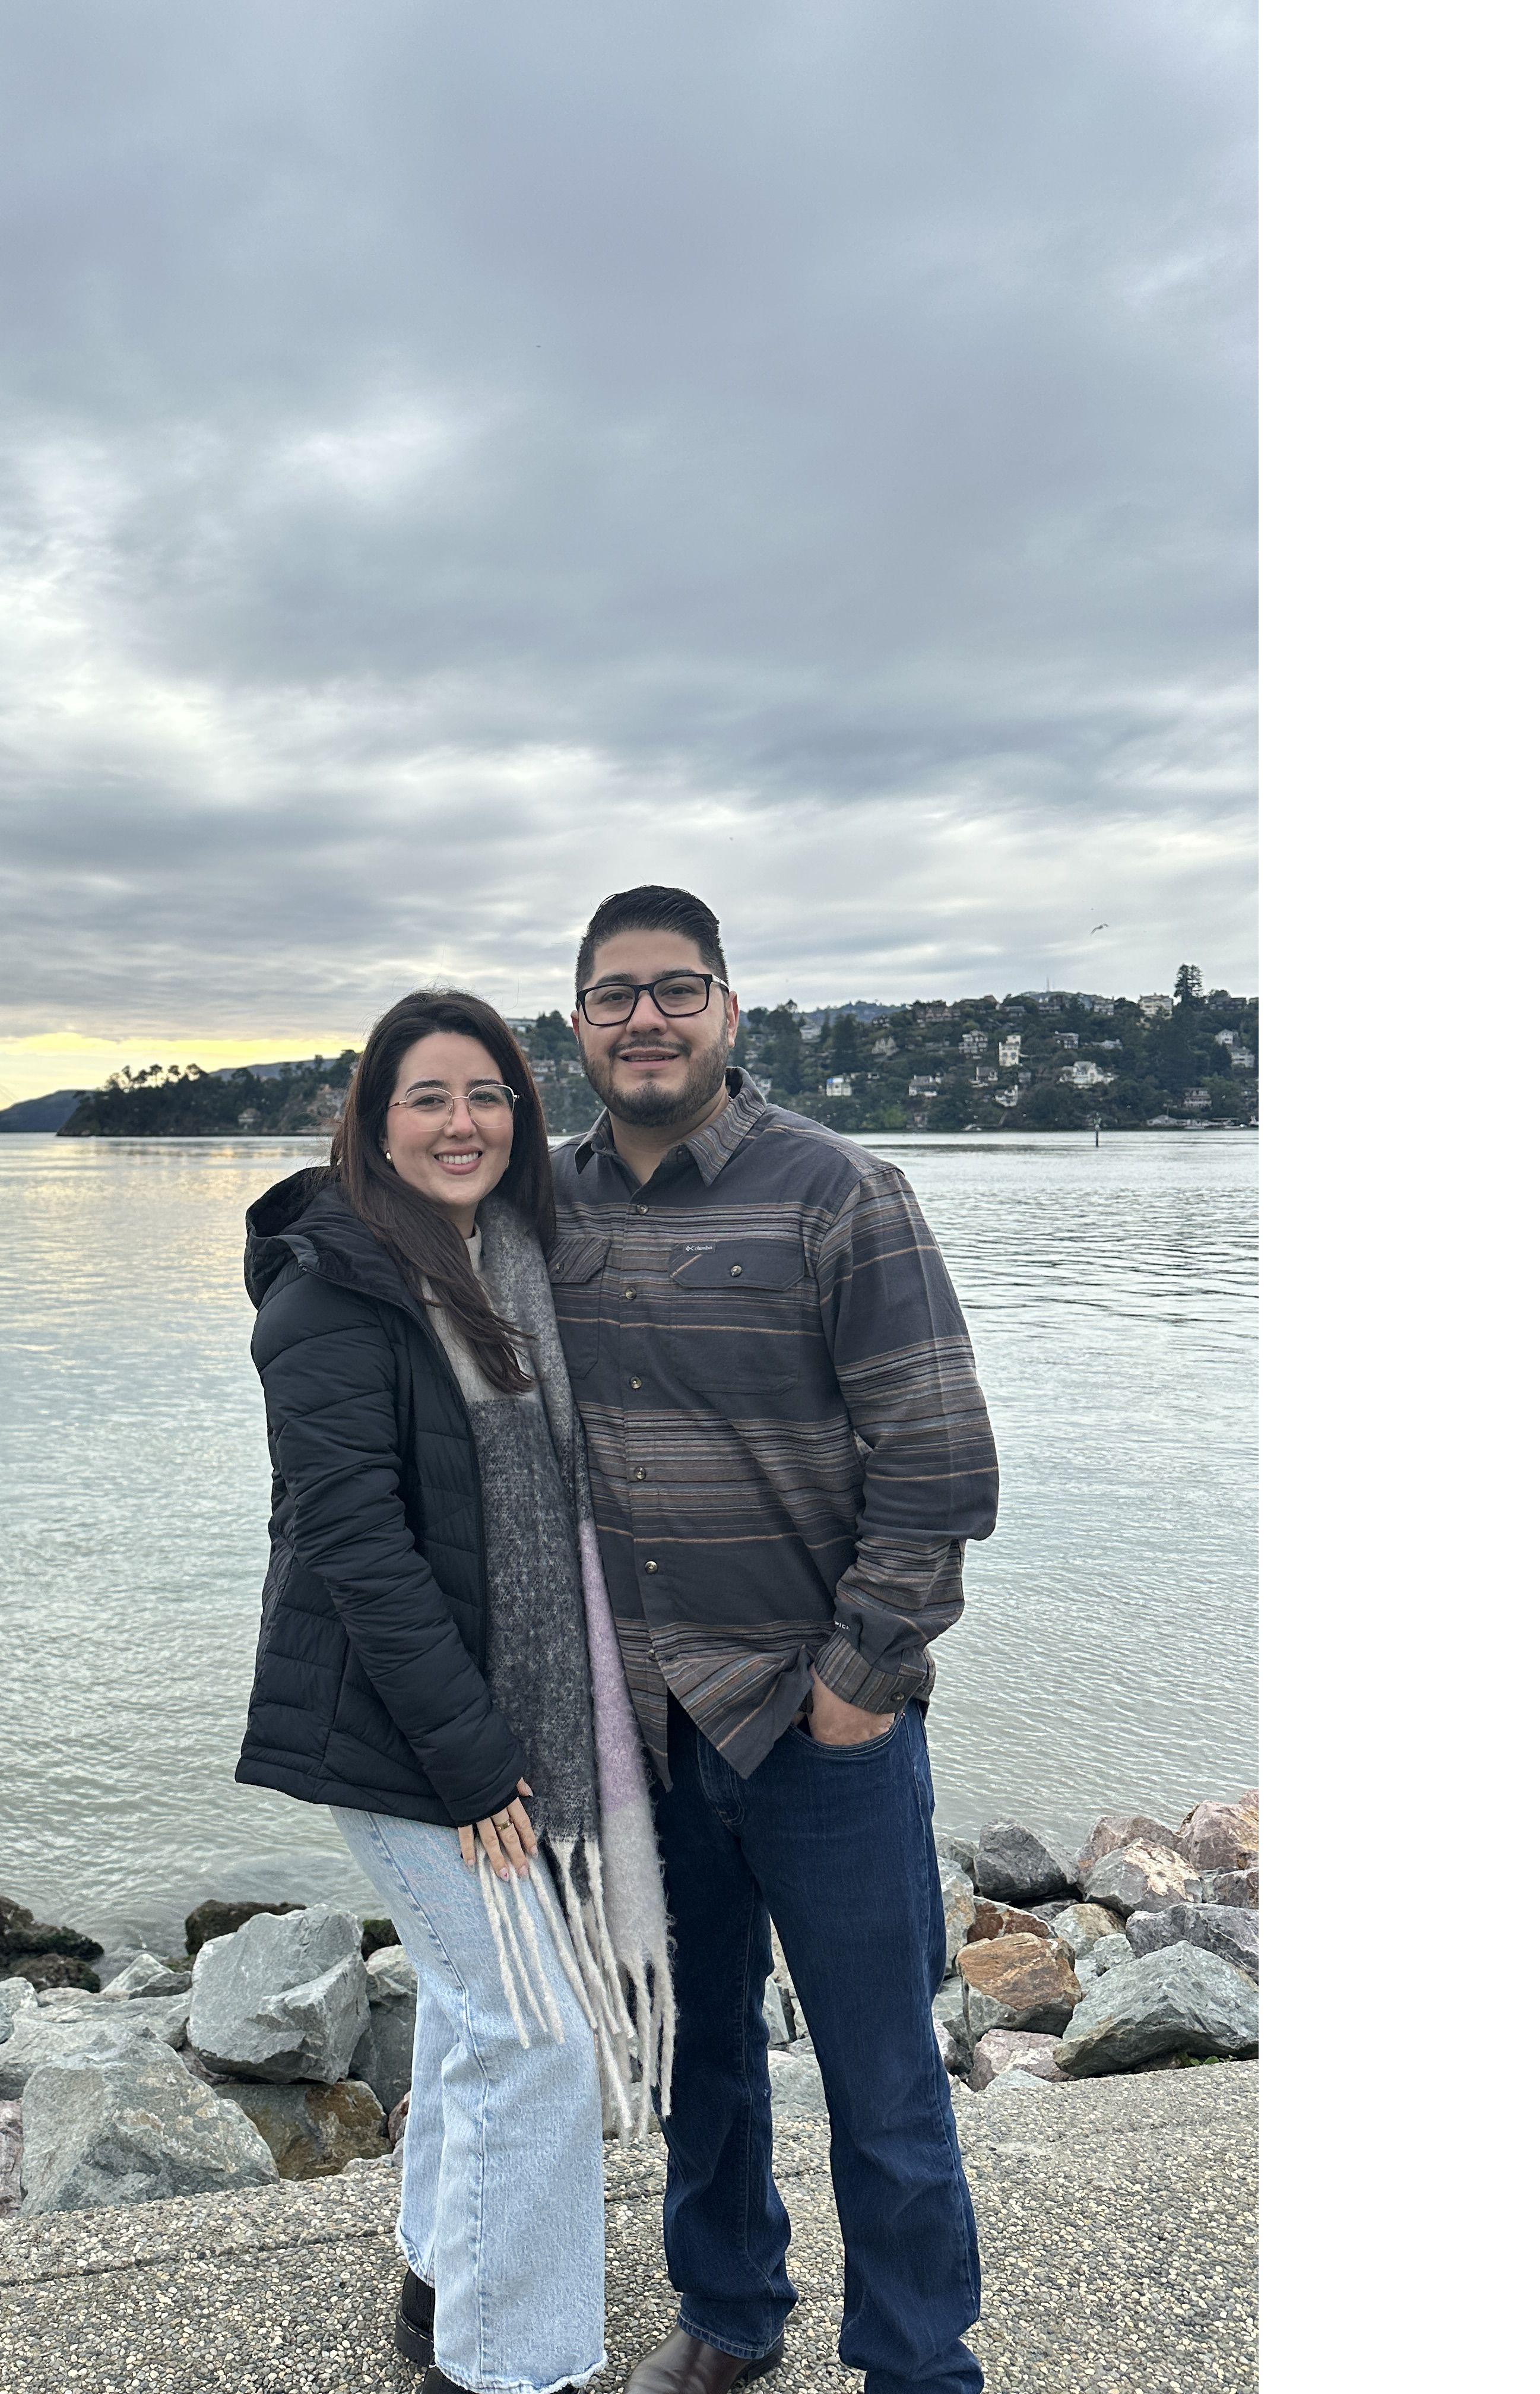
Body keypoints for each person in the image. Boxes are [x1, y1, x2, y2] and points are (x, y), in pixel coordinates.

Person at [549, 886, 1000, 2394]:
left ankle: (919, 2364)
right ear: (578, 1024)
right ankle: (729, 2314)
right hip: (644, 1732)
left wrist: (856, 1689)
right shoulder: (545, 1211)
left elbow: (939, 1462)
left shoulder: (840, 1193)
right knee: (704, 2056)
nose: (646, 1020)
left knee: (884, 2075)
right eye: (616, 995)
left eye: (676, 990)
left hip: (818, 1727)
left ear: (729, 1011)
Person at [237, 987, 676, 2394]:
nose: (461, 1122)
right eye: (427, 1097)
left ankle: (442, 2290)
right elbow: (358, 1548)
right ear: (374, 1124)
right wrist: (477, 1761)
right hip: (406, 1733)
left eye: (486, 1095)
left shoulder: (513, 1266)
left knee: (474, 2009)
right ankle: (509, 2369)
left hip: (494, 1722)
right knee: (536, 2032)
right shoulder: (331, 1289)